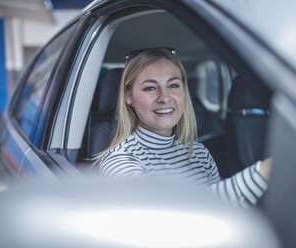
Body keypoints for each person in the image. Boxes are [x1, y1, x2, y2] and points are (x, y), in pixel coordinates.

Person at [97, 47, 271, 208]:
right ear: (129, 97)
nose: (164, 97)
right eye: (150, 88)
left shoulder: (199, 153)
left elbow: (220, 217)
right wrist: (264, 172)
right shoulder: (120, 162)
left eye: (173, 85)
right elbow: (173, 217)